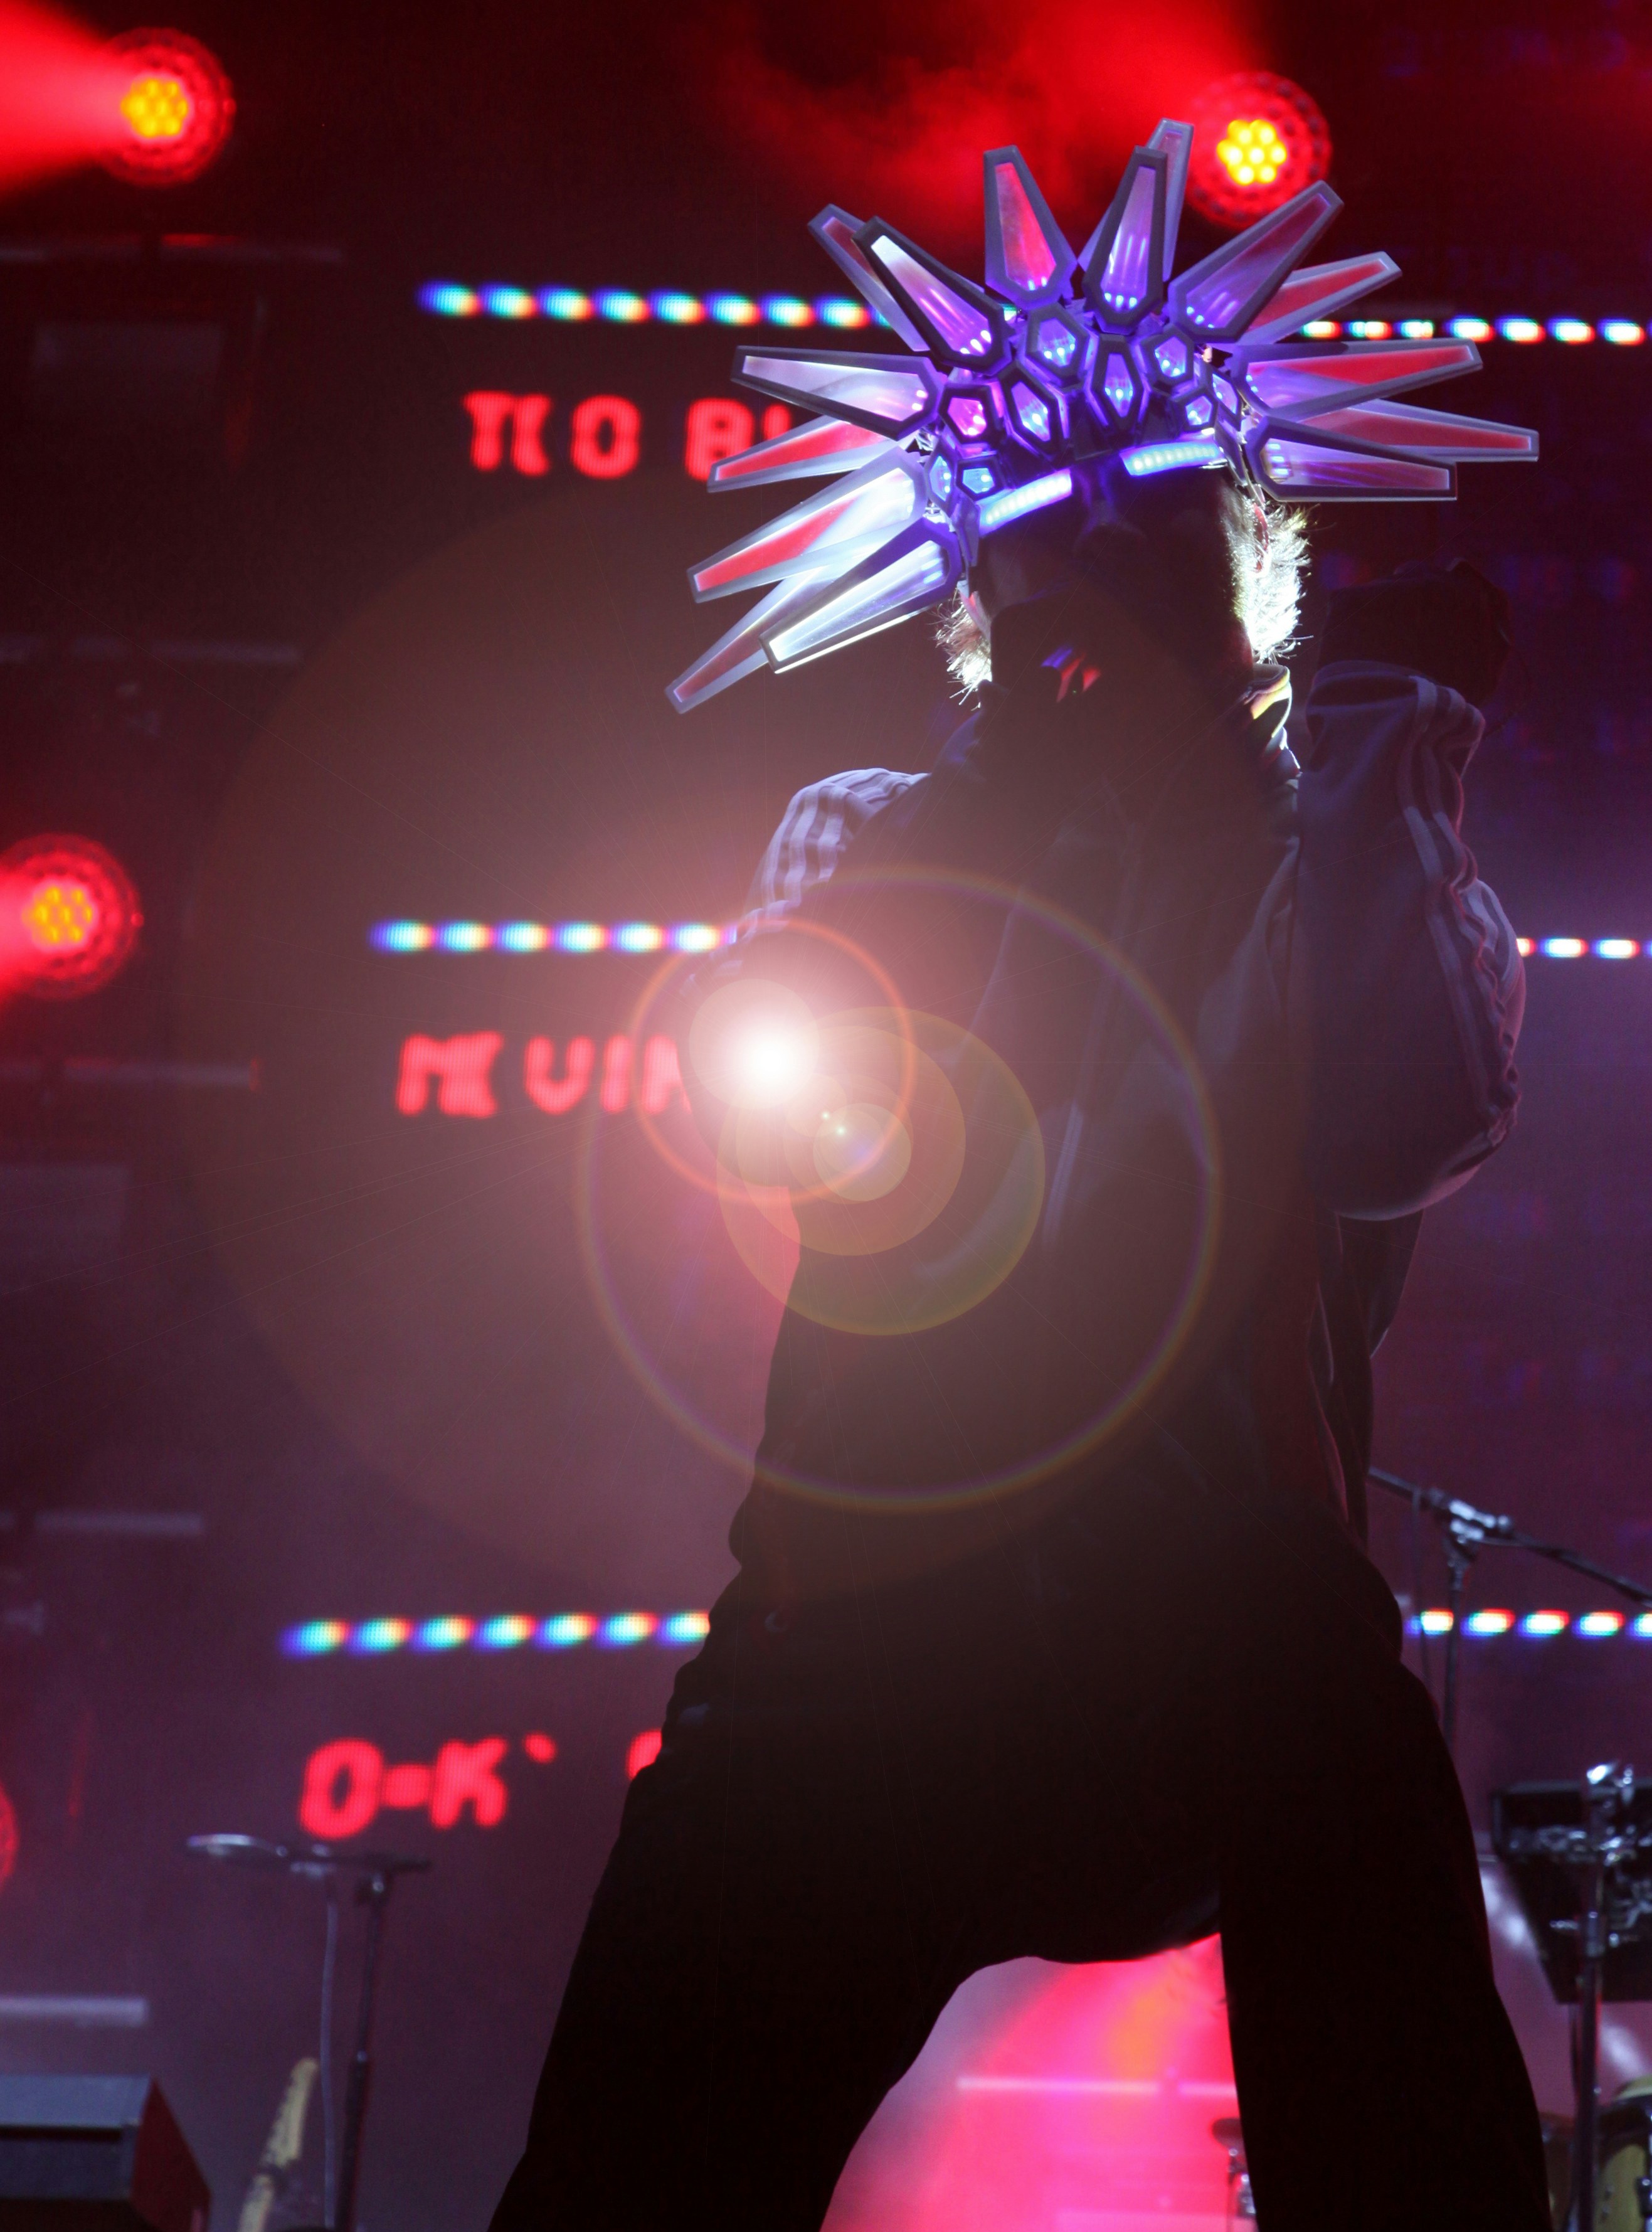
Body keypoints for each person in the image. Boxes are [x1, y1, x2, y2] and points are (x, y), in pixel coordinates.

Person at [491, 135, 1550, 2231]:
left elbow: (1406, 1109)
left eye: (1139, 563)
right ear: (971, 612)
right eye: (1034, 572)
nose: (1082, 611)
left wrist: (1365, 742)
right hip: (872, 1621)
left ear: (1229, 592)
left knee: (1345, 1763)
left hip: (1217, 1611)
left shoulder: (1334, 853)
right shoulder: (872, 831)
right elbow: (786, 1117)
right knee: (639, 2135)